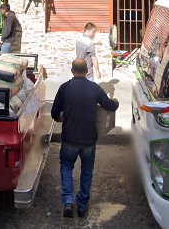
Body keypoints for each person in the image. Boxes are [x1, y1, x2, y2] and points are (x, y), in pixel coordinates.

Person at [51, 58, 119, 218]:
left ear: (72, 71)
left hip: (69, 139)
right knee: (87, 172)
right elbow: (110, 106)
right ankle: (82, 206)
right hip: (89, 140)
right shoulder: (94, 88)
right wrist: (115, 102)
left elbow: (54, 113)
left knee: (66, 166)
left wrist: (64, 117)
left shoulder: (64, 88)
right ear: (87, 71)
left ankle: (68, 201)